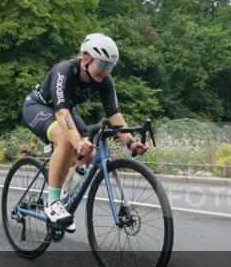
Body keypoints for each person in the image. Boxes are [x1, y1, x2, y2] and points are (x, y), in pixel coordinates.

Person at [22, 33, 149, 229]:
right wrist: (77, 141)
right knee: (67, 140)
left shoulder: (105, 81)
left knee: (91, 154)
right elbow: (62, 112)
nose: (107, 71)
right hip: (39, 107)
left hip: (66, 111)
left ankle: (65, 198)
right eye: (104, 65)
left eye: (111, 67)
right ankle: (53, 202)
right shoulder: (64, 70)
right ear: (86, 58)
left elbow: (114, 115)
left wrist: (130, 142)